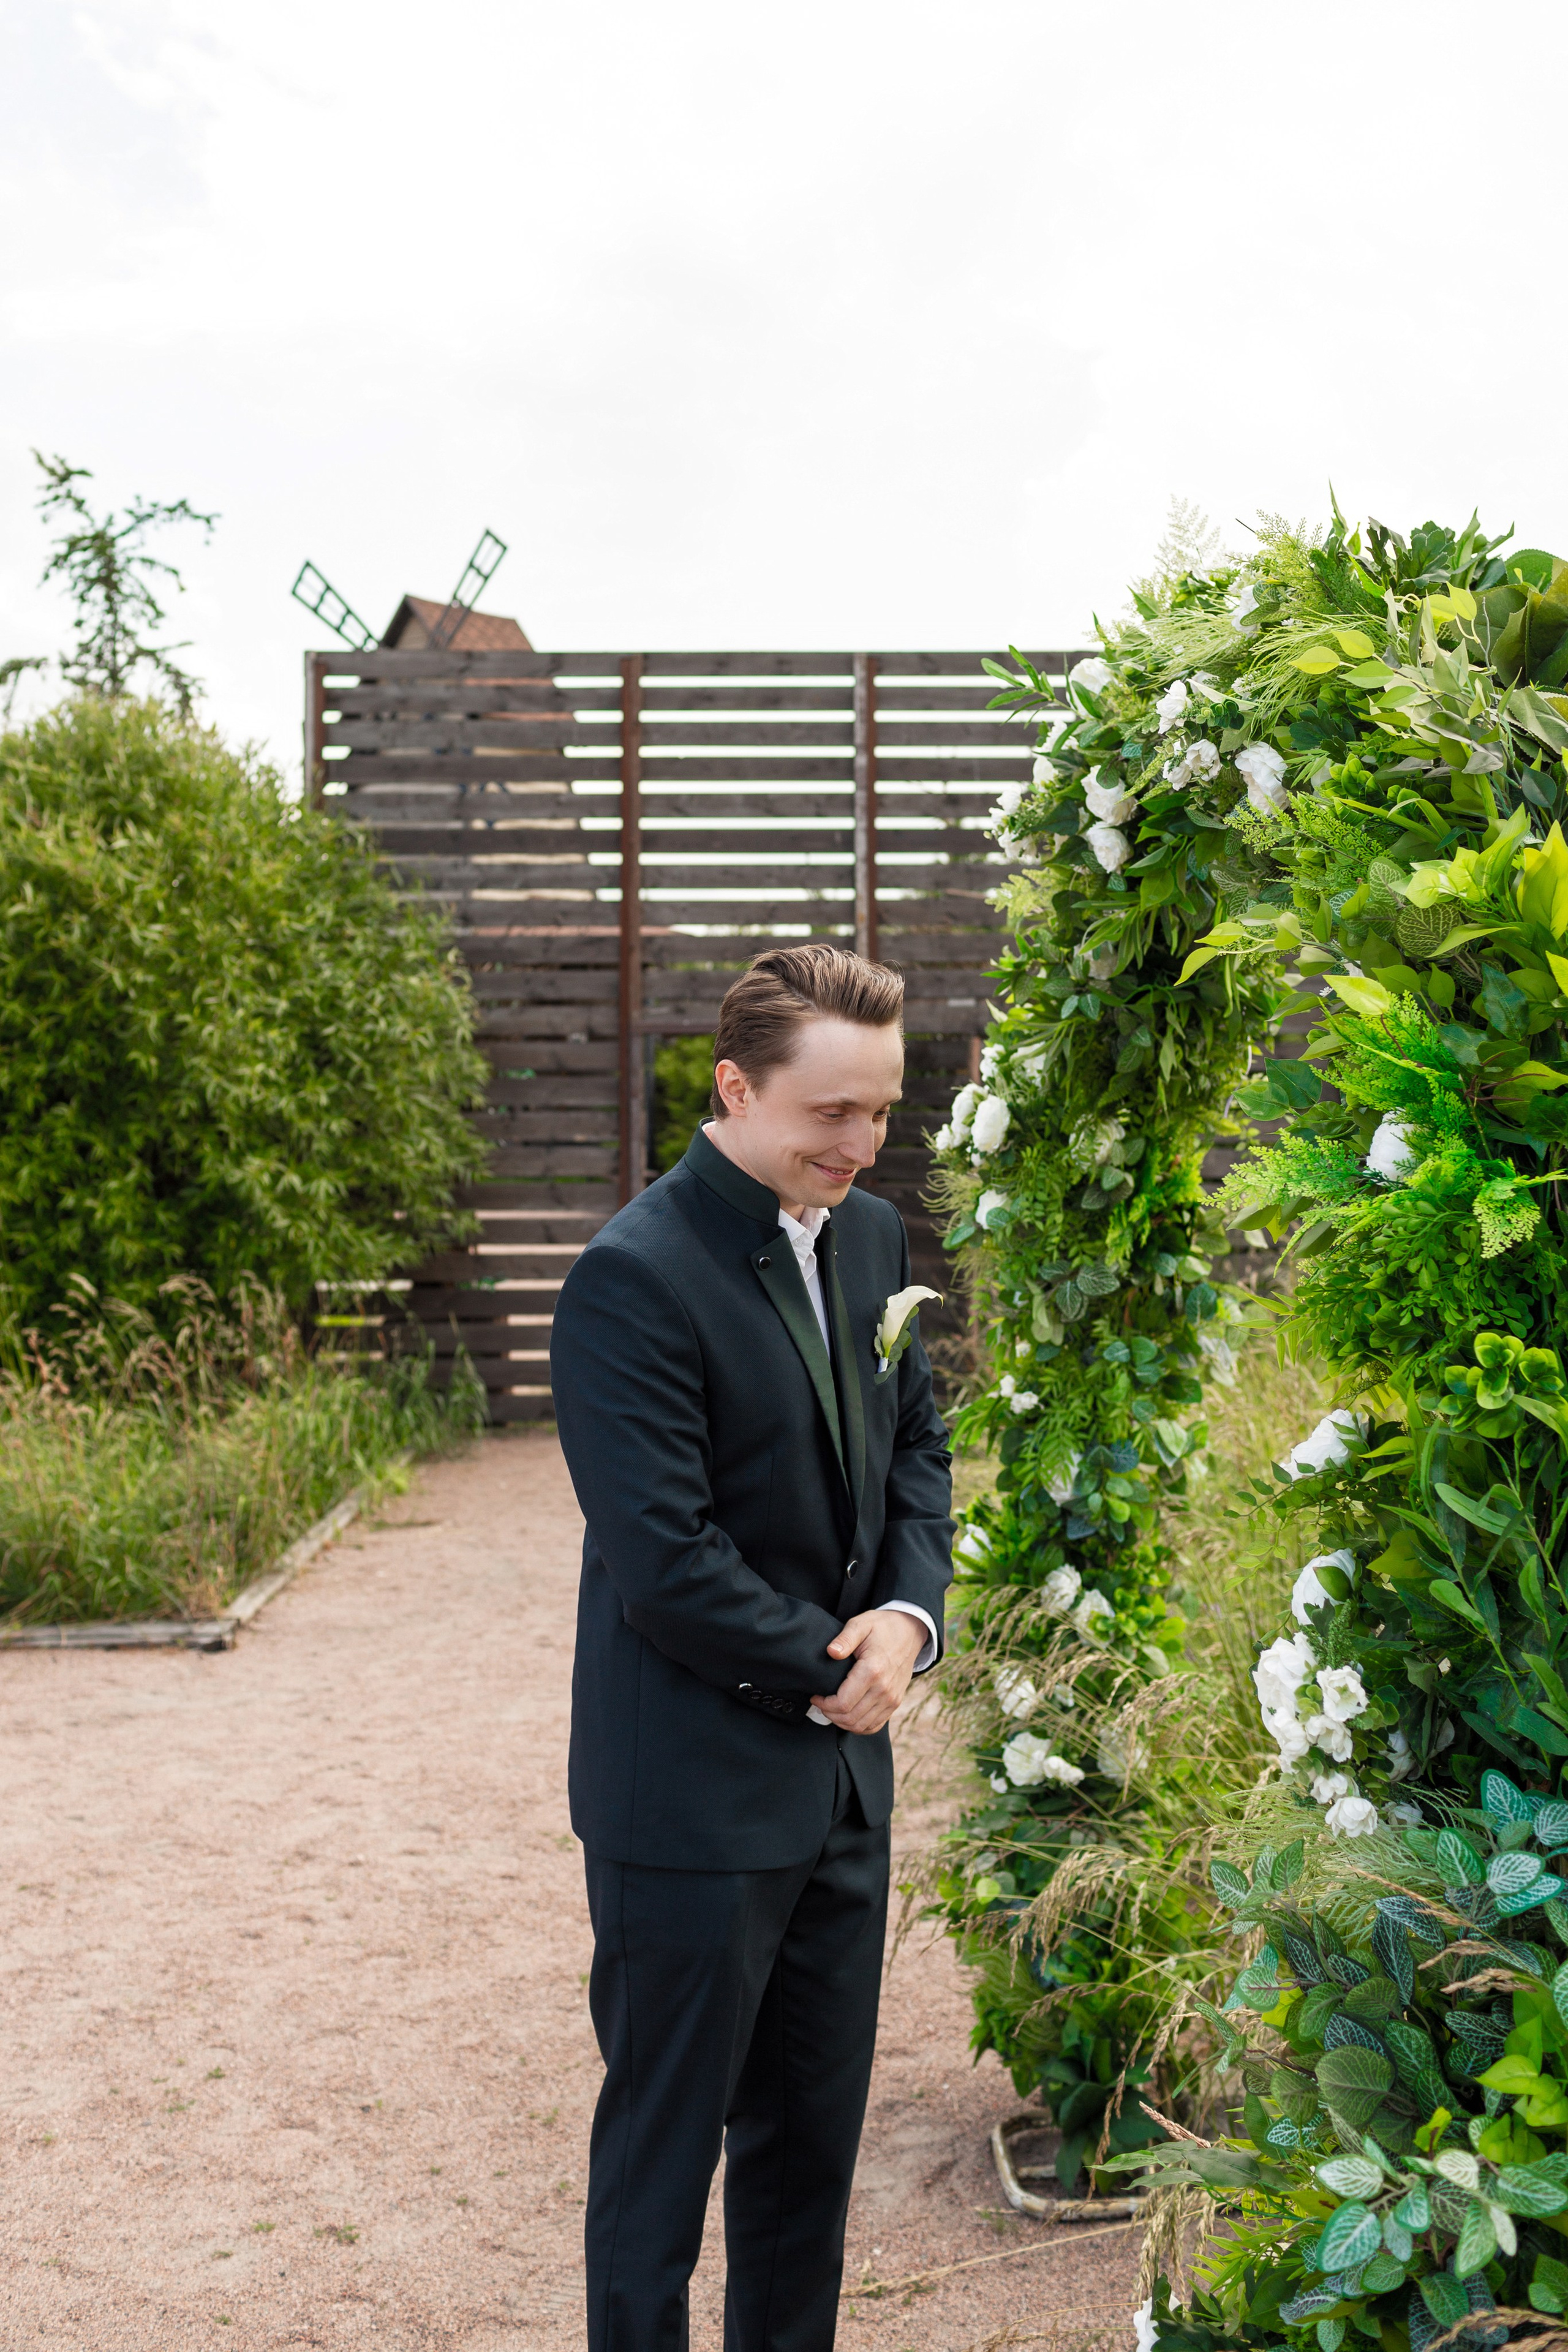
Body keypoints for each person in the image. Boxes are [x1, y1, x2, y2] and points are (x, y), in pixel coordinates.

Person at [550, 943, 954, 2352]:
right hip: (691, 1800)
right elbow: (664, 1563)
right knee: (661, 2172)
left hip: (843, 1795)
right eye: (829, 1114)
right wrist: (834, 1666)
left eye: (883, 1112)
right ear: (733, 1087)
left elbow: (916, 1454)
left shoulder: (877, 1240)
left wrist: (908, 1625)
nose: (860, 1144)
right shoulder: (628, 1278)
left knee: (804, 2171)